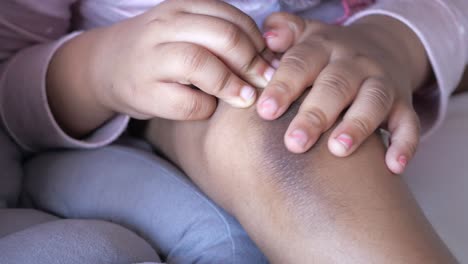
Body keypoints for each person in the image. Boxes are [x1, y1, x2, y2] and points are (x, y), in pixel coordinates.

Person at [0, 0, 467, 262]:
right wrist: (98, 70)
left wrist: (394, 41)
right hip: (163, 105)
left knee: (305, 120)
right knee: (285, 133)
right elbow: (8, 84)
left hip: (353, 63)